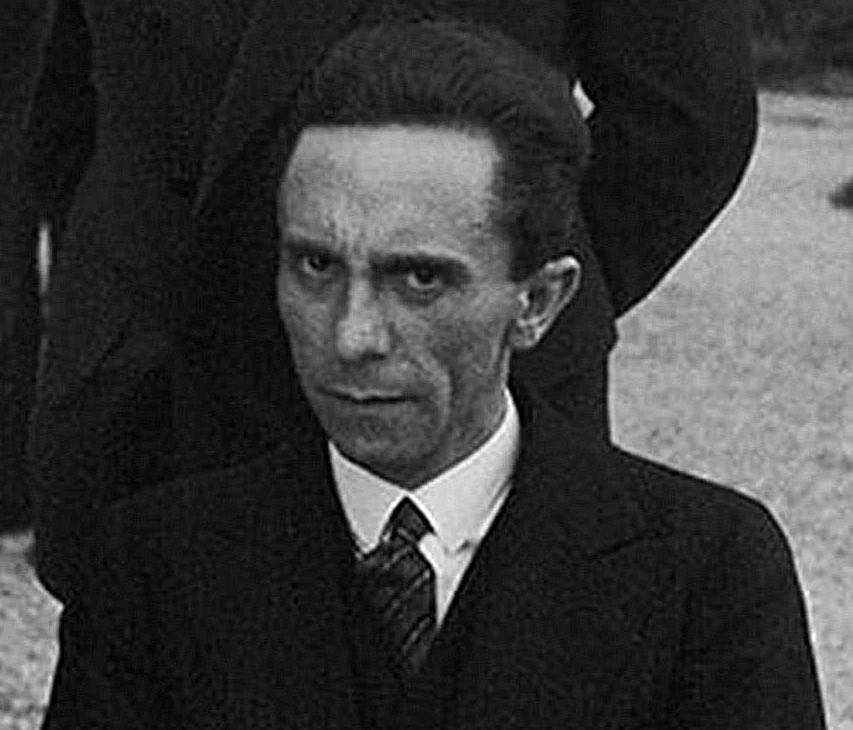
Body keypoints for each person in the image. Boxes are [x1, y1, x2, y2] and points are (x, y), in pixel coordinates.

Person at [43, 22, 824, 730]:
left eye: (419, 279)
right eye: (315, 267)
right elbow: (58, 99)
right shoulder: (143, 562)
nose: (354, 336)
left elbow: (689, 118)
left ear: (540, 299)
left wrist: (495, 314)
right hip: (164, 374)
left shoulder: (709, 576)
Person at [0, 0, 757, 599]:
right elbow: (61, 96)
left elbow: (688, 121)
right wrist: (113, 283)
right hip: (146, 397)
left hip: (447, 437)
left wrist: (480, 301)